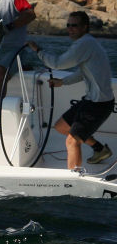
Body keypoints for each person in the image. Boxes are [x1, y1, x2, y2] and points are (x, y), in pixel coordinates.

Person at [27, 11, 114, 168]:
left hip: (99, 104)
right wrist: (63, 82)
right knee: (61, 127)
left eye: (74, 25)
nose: (70, 28)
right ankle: (99, 149)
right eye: (68, 25)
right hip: (91, 100)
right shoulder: (88, 43)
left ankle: (73, 182)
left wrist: (38, 51)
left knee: (72, 140)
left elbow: (58, 63)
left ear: (84, 27)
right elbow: (84, 72)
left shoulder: (84, 44)